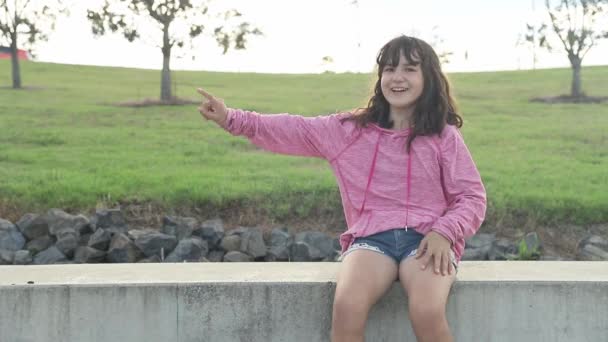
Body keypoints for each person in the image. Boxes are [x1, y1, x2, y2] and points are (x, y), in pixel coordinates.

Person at [197, 35, 486, 342]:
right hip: (372, 240)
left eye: (410, 69)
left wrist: (445, 232)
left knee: (426, 310)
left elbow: (471, 196)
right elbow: (294, 128)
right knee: (347, 307)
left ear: (429, 78)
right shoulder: (350, 130)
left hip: (428, 242)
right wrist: (231, 119)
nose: (397, 77)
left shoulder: (444, 136)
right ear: (380, 78)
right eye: (389, 69)